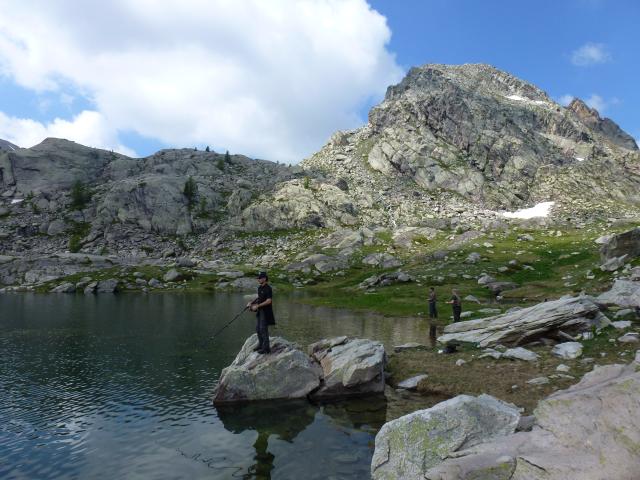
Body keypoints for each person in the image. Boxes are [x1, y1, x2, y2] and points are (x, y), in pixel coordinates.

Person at [247, 271, 275, 354]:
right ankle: (261, 345)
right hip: (260, 311)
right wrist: (251, 303)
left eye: (259, 278)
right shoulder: (260, 288)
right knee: (258, 329)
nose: (258, 280)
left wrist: (258, 306)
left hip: (266, 312)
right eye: (258, 278)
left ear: (264, 278)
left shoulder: (268, 288)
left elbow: (269, 301)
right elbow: (259, 298)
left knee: (263, 329)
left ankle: (266, 348)